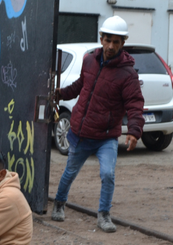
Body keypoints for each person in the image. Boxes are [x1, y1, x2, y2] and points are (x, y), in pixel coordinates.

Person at [52, 15, 145, 233]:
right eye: (108, 40)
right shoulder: (89, 60)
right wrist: (61, 94)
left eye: (116, 41)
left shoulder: (127, 74)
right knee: (69, 173)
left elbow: (135, 104)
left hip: (106, 137)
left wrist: (134, 131)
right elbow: (81, 85)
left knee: (108, 174)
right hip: (81, 133)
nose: (111, 45)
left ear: (123, 43)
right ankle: (59, 203)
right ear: (101, 38)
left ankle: (103, 215)